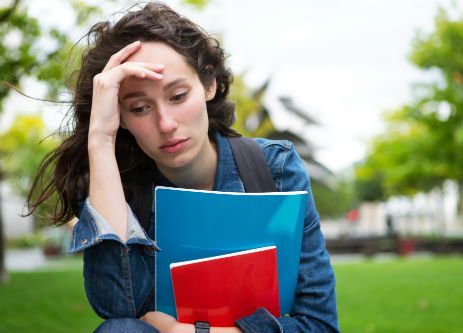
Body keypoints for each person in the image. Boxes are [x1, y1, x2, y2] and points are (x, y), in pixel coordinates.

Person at [26, 2, 339, 333]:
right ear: (122, 117)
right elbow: (118, 309)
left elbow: (319, 324)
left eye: (177, 96)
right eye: (140, 108)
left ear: (208, 84)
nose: (166, 123)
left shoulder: (274, 167)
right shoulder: (114, 187)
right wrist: (101, 139)